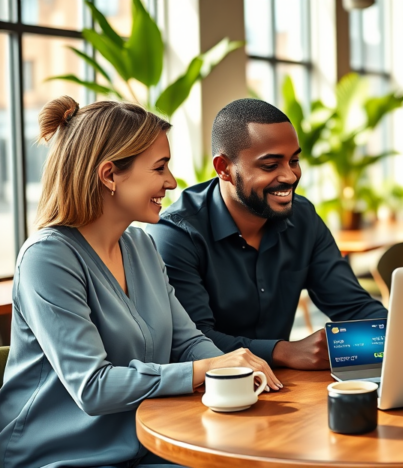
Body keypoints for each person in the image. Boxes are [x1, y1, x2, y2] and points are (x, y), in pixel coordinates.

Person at [0, 96, 281, 468]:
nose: (171, 181)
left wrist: (238, 368)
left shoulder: (142, 246)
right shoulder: (47, 258)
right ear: (109, 175)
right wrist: (206, 369)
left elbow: (188, 340)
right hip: (60, 457)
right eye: (160, 167)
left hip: (143, 443)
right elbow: (93, 387)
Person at [145, 98, 387, 371]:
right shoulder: (176, 234)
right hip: (206, 395)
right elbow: (194, 342)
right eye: (270, 166)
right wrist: (283, 351)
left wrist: (392, 335)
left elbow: (354, 308)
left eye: (294, 160)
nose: (290, 176)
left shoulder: (303, 217)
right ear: (224, 168)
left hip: (283, 390)